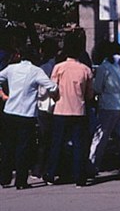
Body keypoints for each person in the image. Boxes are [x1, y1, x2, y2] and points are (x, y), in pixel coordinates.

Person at [0, 47, 58, 189]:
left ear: (20, 55)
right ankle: (21, 181)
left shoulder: (11, 69)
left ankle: (5, 178)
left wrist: (2, 95)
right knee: (23, 148)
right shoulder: (36, 71)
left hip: (10, 110)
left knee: (8, 146)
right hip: (27, 113)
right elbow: (52, 87)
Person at [46, 32, 94, 187]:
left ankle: (51, 173)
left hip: (60, 110)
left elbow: (52, 89)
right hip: (79, 110)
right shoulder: (86, 70)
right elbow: (89, 94)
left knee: (57, 143)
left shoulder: (58, 68)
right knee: (79, 144)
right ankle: (80, 176)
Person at [89, 41, 120, 177]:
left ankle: (92, 165)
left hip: (108, 106)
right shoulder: (117, 66)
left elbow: (97, 88)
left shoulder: (103, 68)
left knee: (99, 138)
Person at [32, 37, 59, 178]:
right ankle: (50, 167)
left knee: (44, 139)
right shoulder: (57, 65)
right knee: (53, 138)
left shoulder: (43, 68)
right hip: (57, 105)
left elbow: (42, 91)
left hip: (44, 105)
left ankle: (39, 169)